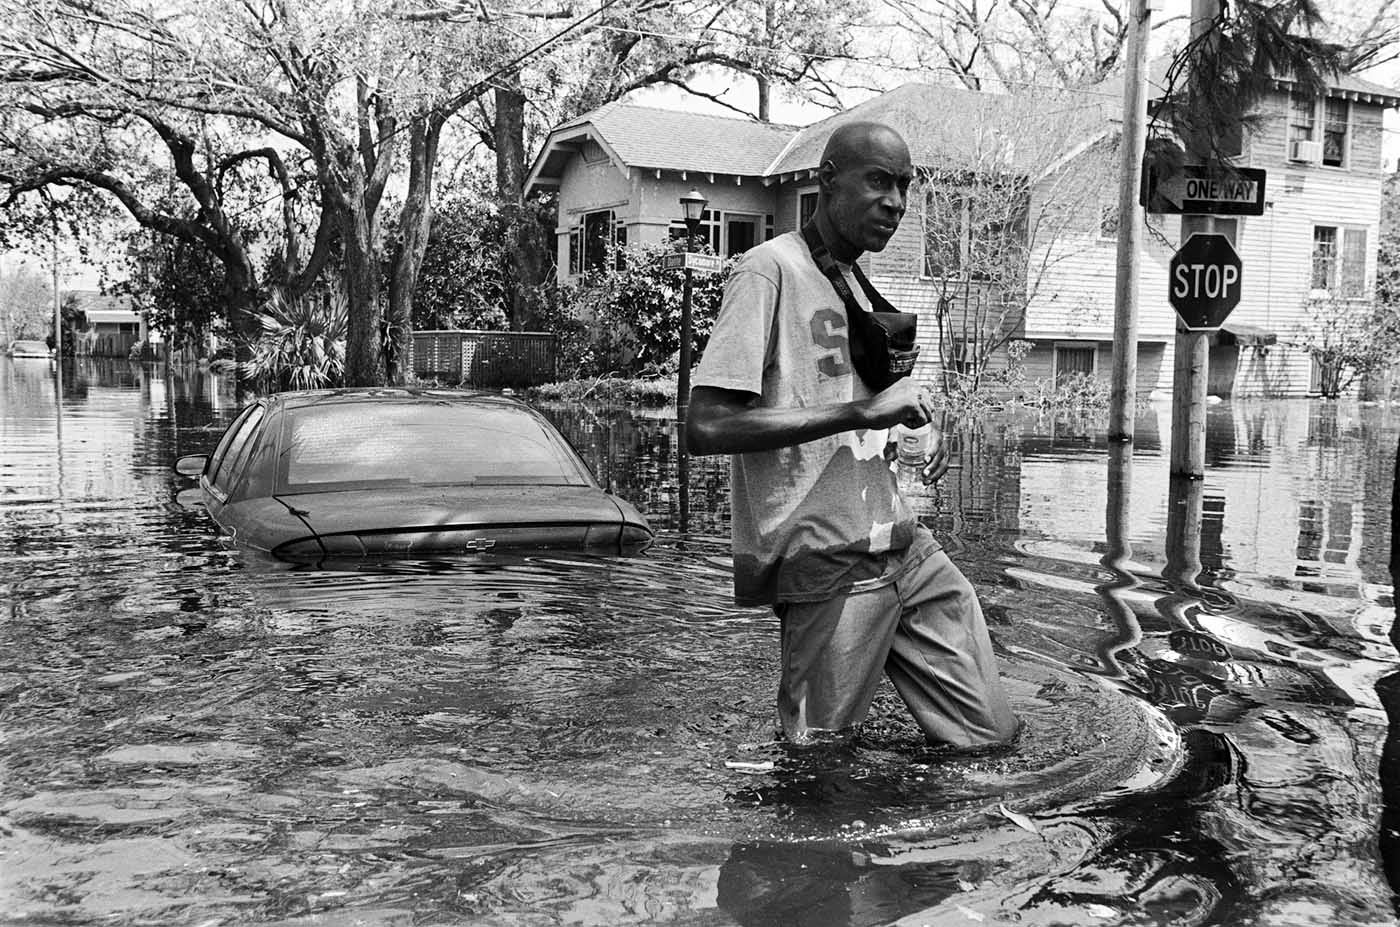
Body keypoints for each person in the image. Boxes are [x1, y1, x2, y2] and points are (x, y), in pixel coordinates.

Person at [686, 120, 1018, 749]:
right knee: (817, 765)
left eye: (903, 186)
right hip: (826, 562)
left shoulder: (860, 285)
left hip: (905, 548)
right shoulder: (769, 270)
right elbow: (705, 425)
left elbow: (862, 406)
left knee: (990, 735)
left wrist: (914, 430)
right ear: (827, 179)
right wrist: (857, 416)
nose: (894, 201)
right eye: (877, 181)